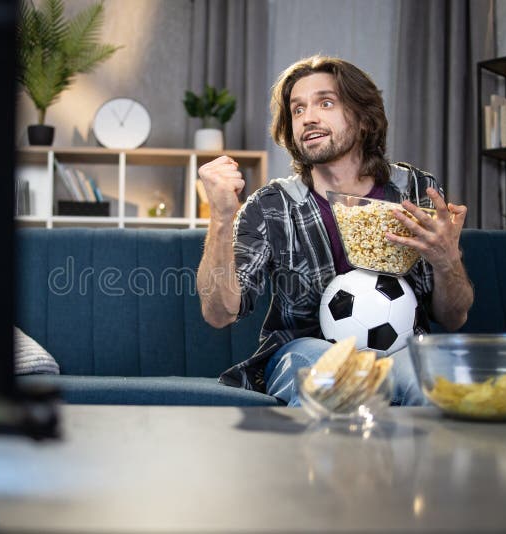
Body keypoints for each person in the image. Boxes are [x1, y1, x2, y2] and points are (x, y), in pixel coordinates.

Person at [196, 55, 473, 406]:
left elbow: (454, 316)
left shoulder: (415, 190)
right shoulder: (271, 206)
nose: (308, 117)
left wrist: (448, 260)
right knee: (333, 385)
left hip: (405, 351)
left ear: (363, 120)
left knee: (429, 388)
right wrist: (222, 217)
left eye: (325, 103)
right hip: (305, 351)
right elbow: (219, 314)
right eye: (297, 110)